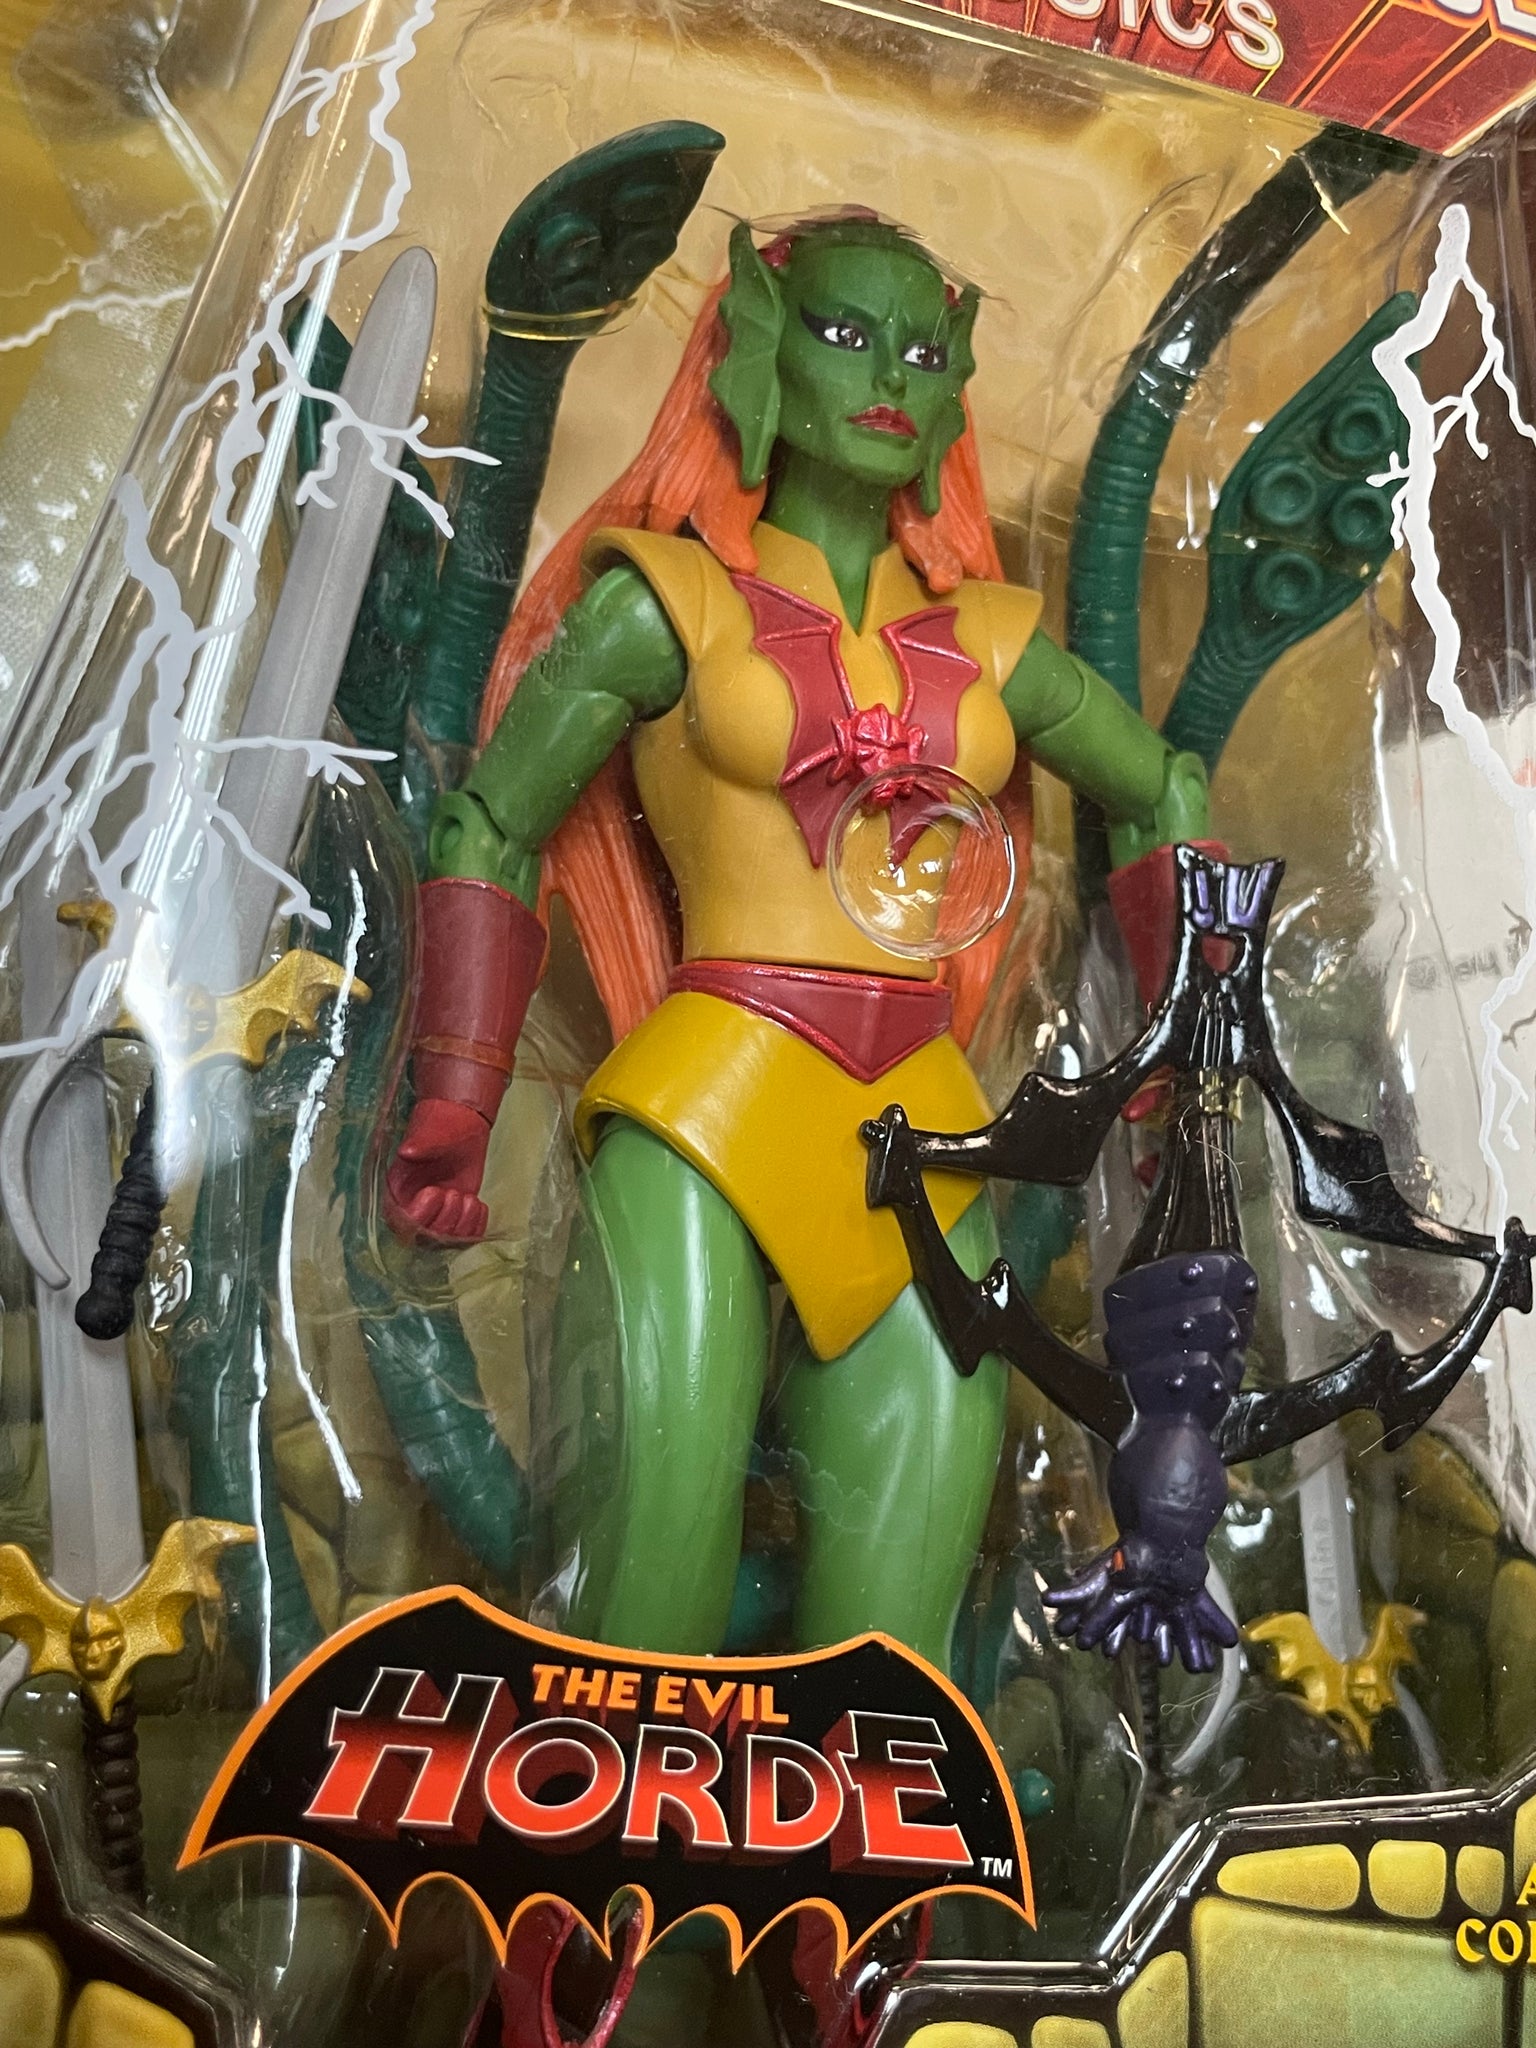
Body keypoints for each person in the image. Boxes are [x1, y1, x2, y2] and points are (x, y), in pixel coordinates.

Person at [385, 209, 1209, 1674]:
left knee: (902, 1640)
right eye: (843, 334)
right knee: (646, 1579)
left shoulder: (995, 641)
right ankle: (601, 1823)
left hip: (923, 1118)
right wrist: (455, 1091)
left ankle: (874, 1838)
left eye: (922, 352)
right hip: (707, 1103)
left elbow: (1166, 795)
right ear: (757, 349)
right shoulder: (668, 604)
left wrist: (1176, 1054)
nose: (887, 376)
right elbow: (492, 823)